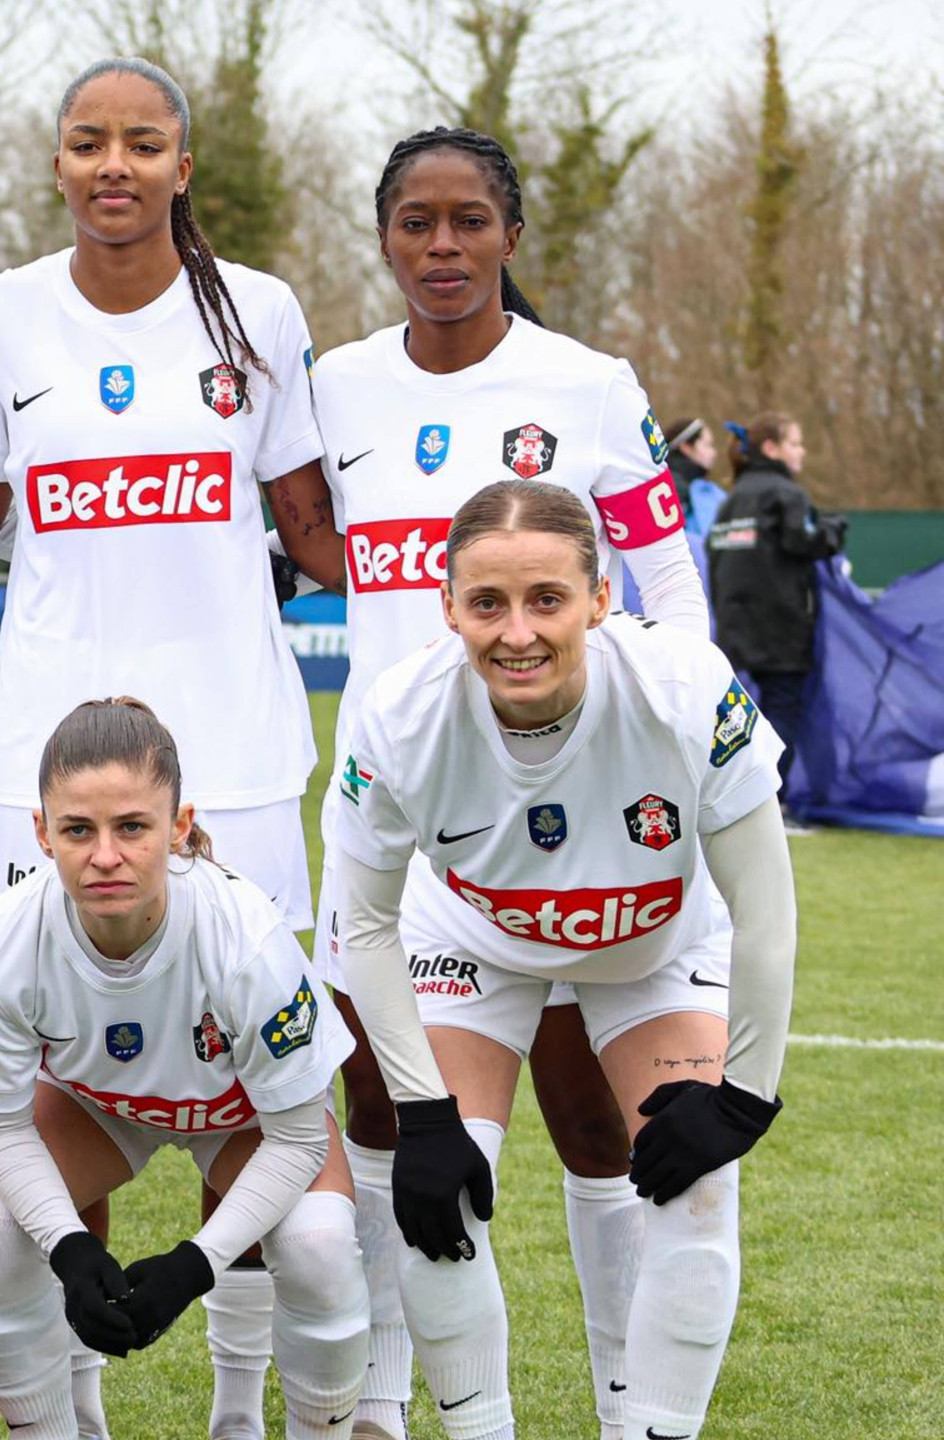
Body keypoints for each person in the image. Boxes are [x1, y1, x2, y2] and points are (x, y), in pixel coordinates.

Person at [0, 56, 339, 1436]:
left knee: (254, 1076)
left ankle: (235, 1409)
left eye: (143, 144)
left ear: (182, 164)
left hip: (238, 747)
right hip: (56, 761)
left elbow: (318, 531)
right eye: (89, 144)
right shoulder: (0, 318)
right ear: (56, 163)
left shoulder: (261, 313)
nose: (116, 166)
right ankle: (80, 1411)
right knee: (60, 1075)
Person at [306, 125, 712, 1440]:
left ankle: (618, 1402)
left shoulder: (589, 385)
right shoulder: (339, 386)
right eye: (415, 223)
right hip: (401, 805)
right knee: (384, 1101)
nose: (441, 247)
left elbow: (669, 585)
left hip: (579, 811)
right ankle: (378, 1394)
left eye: (468, 221)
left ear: (511, 237)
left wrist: (676, 743)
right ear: (383, 237)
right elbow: (309, 546)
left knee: (595, 1113)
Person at [330, 480, 796, 1440]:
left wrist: (744, 1098)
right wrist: (421, 1113)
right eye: (487, 603)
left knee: (699, 1191)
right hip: (470, 940)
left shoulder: (683, 688)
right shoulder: (398, 716)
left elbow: (766, 909)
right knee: (441, 1201)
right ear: (447, 606)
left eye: (547, 599)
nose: (517, 633)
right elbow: (363, 927)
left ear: (601, 594)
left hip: (652, 946)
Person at [0, 698, 367, 1440]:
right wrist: (70, 1248)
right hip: (99, 1108)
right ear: (42, 833)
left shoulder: (245, 939)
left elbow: (300, 1140)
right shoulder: (2, 940)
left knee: (319, 1240)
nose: (104, 855)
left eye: (133, 828)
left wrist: (194, 1265)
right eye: (78, 829)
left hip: (235, 1116)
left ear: (179, 828)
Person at [706, 412, 845, 815]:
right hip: (781, 628)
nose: (801, 451)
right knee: (782, 712)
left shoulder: (730, 500)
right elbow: (803, 540)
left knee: (736, 718)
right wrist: (833, 533)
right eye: (796, 442)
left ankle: (725, 802)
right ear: (771, 448)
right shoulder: (786, 494)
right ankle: (770, 807)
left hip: (734, 627)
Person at [663, 417, 727, 570]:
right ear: (686, 447)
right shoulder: (678, 489)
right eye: (707, 445)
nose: (714, 453)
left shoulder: (696, 486)